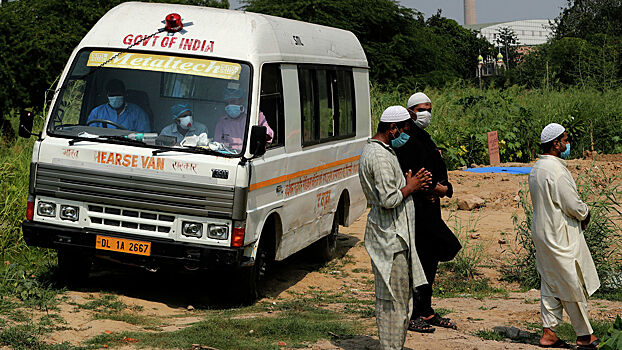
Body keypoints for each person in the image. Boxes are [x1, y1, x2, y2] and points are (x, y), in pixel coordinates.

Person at [359, 105, 432, 350]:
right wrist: (410, 187)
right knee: (393, 301)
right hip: (390, 239)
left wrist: (411, 183)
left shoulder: (383, 151)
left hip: (395, 236)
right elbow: (388, 199)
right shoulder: (378, 157)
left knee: (400, 299)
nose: (405, 134)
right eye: (403, 129)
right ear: (392, 129)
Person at [393, 92, 461, 333]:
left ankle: (425, 309)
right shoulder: (406, 140)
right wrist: (434, 189)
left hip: (432, 207)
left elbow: (436, 169)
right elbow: (411, 175)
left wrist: (443, 188)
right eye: (422, 109)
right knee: (423, 257)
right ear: (411, 111)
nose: (426, 114)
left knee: (430, 259)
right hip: (417, 208)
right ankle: (412, 313)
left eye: (429, 109)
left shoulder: (424, 138)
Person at [529, 123, 600, 349]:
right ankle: (584, 335)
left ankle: (548, 333)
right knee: (571, 282)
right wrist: (585, 213)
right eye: (565, 140)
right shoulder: (556, 171)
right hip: (559, 235)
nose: (567, 144)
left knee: (550, 281)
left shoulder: (537, 168)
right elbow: (572, 204)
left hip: (542, 232)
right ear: (555, 144)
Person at [213, 87, 274, 151]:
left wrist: (260, 137)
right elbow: (218, 143)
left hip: (249, 154)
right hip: (230, 155)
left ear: (241, 100)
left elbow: (269, 134)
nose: (230, 105)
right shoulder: (222, 121)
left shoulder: (255, 116)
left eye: (233, 101)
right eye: (227, 103)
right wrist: (227, 145)